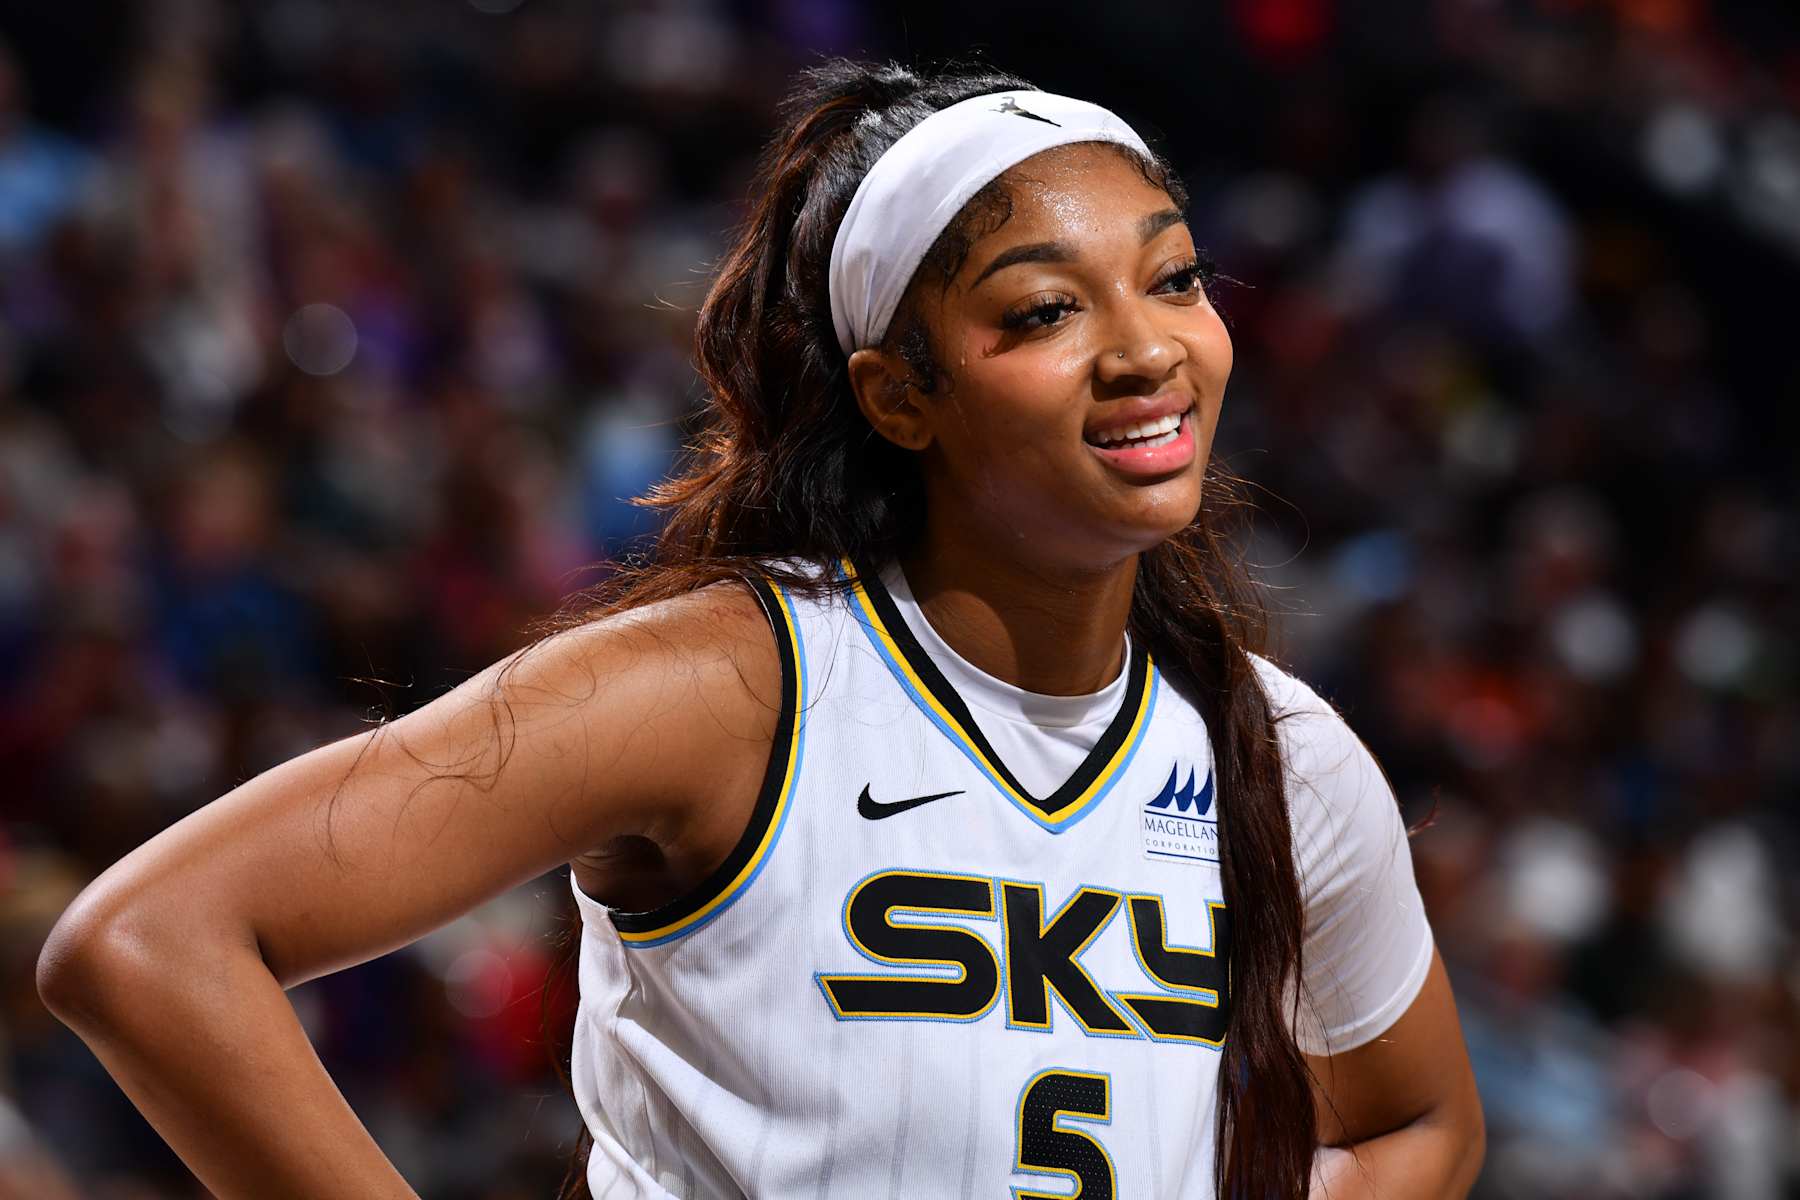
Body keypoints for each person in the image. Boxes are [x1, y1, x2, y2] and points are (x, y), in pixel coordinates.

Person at [35, 59, 1485, 1199]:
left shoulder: (1277, 750)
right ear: (897, 395)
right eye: (1044, 310)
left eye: (1173, 278)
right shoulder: (734, 683)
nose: (1148, 346)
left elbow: (1419, 1120)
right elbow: (149, 941)